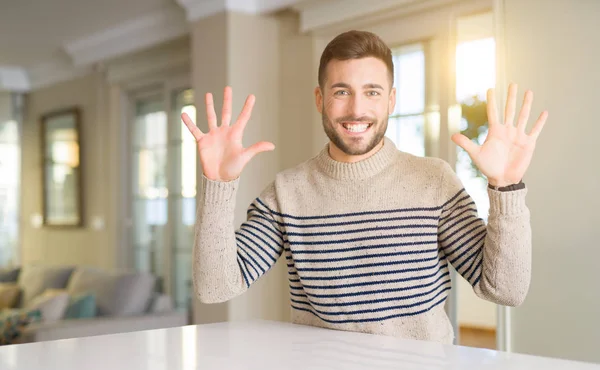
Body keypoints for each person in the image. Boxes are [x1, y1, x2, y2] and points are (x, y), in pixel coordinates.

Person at [181, 30, 548, 343]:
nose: (357, 109)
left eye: (372, 92)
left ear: (391, 100)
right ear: (320, 99)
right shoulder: (286, 192)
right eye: (341, 92)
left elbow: (505, 290)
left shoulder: (434, 181)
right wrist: (218, 184)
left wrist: (506, 187)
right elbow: (217, 287)